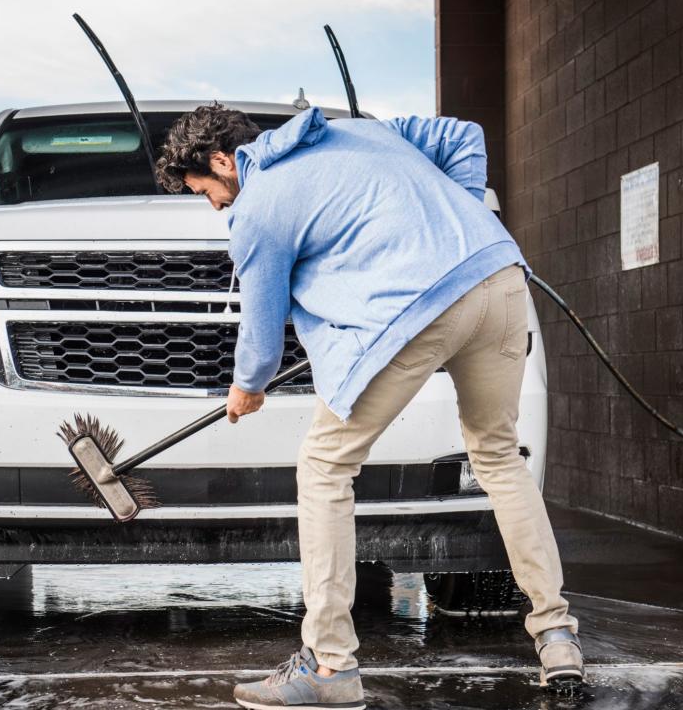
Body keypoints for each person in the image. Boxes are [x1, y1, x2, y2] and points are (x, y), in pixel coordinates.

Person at [155, 103, 583, 710]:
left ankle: (329, 665)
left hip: (427, 306)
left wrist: (247, 386)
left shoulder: (257, 206)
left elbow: (260, 327)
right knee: (497, 457)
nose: (216, 207)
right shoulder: (356, 131)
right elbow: (465, 131)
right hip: (499, 276)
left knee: (326, 466)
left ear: (224, 161)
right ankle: (557, 635)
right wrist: (455, 224)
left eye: (208, 193)